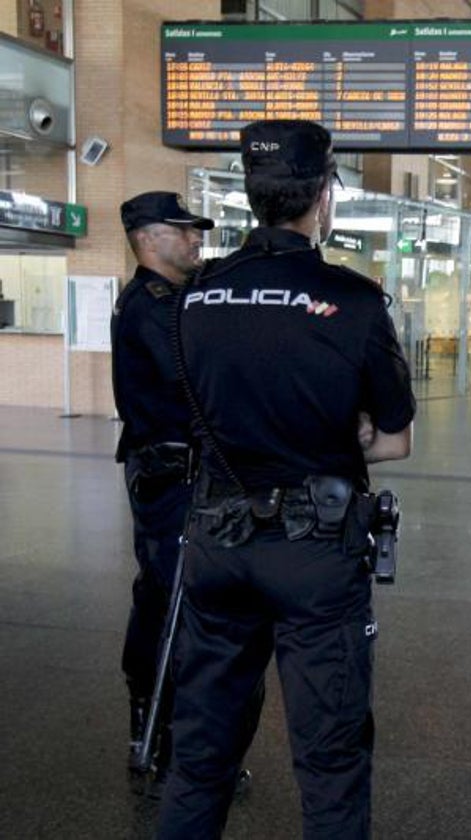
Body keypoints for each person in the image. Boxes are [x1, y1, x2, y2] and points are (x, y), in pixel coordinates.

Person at [157, 120, 417, 840]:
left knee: (200, 757)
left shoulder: (195, 294)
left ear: (251, 194)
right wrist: (344, 429)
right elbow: (393, 438)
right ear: (323, 196)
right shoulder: (354, 300)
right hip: (316, 552)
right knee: (329, 763)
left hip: (216, 543)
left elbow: (194, 407)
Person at [112, 192, 212, 787]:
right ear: (150, 239)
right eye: (184, 231)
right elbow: (192, 381)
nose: (196, 239)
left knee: (171, 594)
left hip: (177, 468)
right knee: (166, 598)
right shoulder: (151, 306)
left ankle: (165, 722)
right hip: (165, 471)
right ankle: (155, 725)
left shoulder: (172, 301)